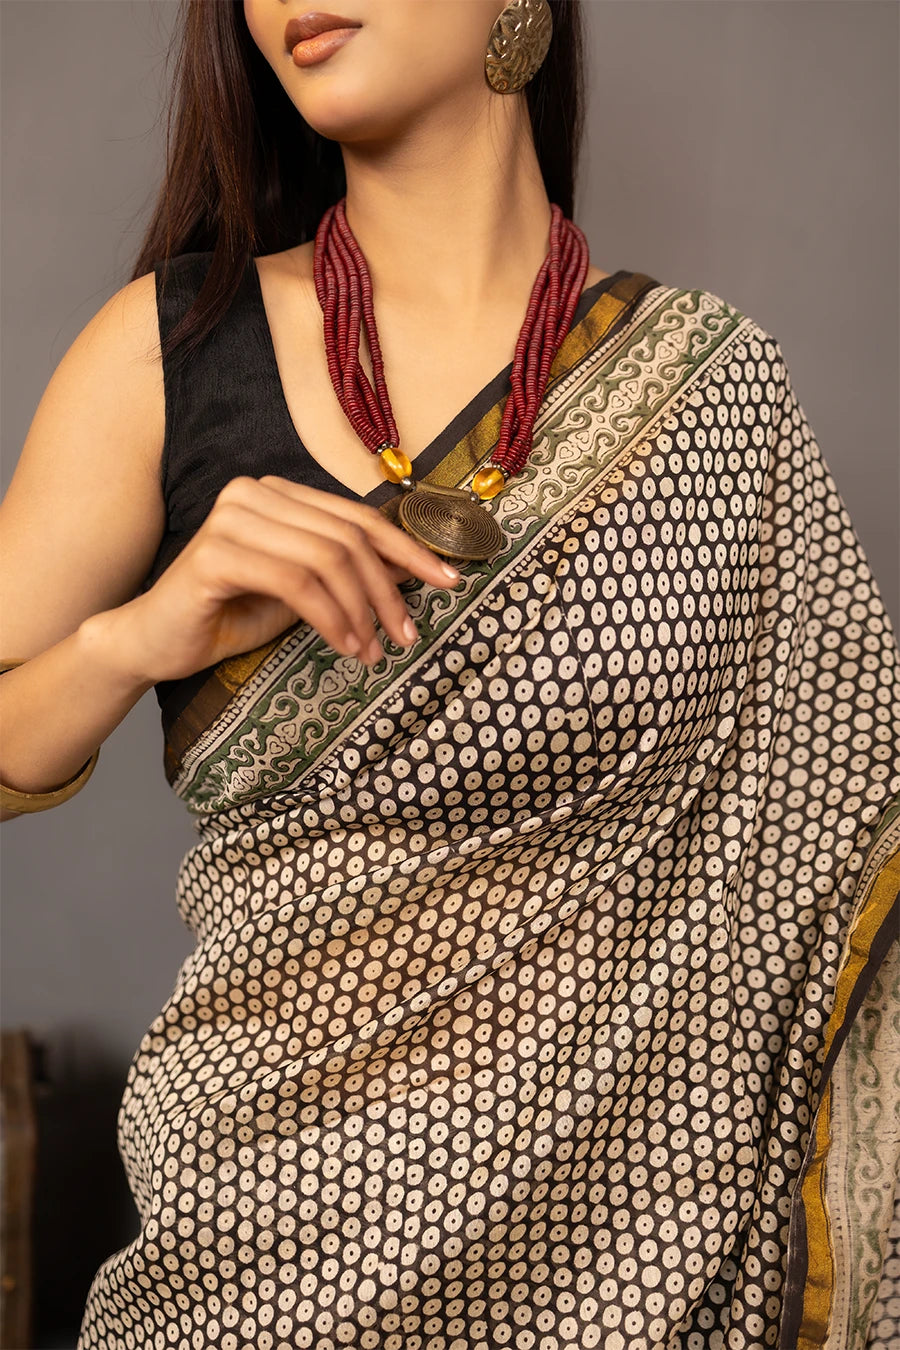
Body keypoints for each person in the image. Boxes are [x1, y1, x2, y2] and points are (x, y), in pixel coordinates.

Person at [1, 1, 898, 1346]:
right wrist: (139, 635)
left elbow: (847, 840)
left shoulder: (712, 397)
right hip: (257, 1268)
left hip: (644, 1286)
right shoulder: (168, 350)